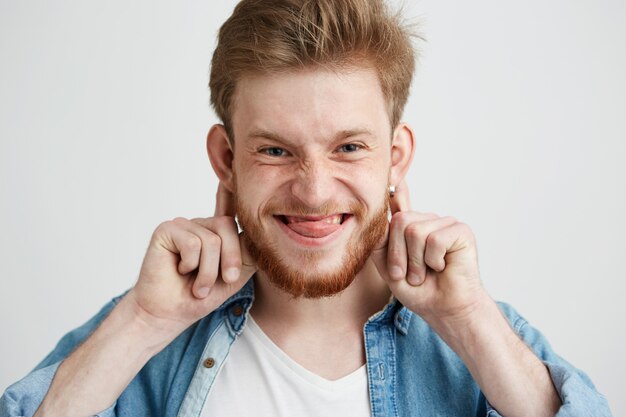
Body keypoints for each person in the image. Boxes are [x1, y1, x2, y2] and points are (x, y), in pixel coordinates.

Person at [0, 1, 611, 416]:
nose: (314, 191)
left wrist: (473, 325)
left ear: (395, 157)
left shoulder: (482, 338)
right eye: (275, 150)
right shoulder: (149, 336)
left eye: (349, 146)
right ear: (226, 160)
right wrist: (141, 324)